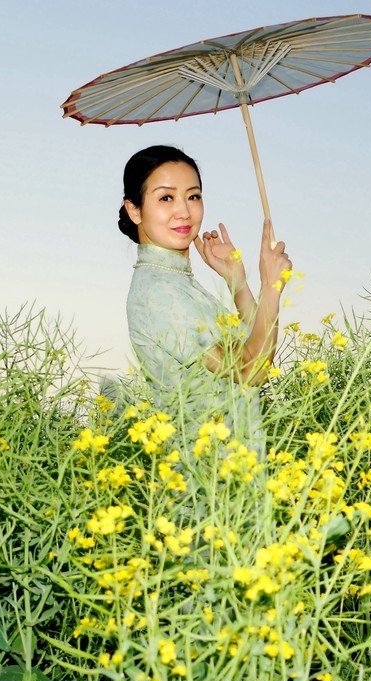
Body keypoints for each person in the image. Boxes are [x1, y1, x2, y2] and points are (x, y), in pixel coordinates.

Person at [119, 145, 292, 454]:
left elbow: (259, 355)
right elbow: (252, 371)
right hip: (208, 479)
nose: (184, 211)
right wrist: (271, 287)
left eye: (193, 196)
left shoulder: (178, 283)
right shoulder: (161, 292)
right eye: (166, 198)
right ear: (134, 210)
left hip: (236, 472)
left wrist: (238, 282)